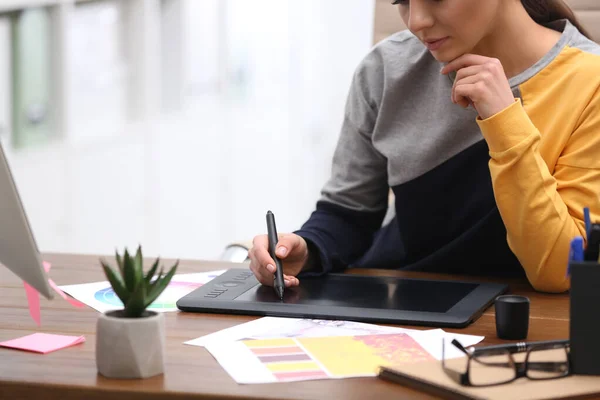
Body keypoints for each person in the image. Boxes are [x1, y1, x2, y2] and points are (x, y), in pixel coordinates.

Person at [248, 0, 600, 293]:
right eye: (400, 1)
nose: (416, 21)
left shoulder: (589, 82)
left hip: (518, 332)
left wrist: (505, 120)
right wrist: (307, 249)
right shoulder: (386, 69)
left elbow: (562, 270)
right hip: (396, 308)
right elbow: (349, 213)